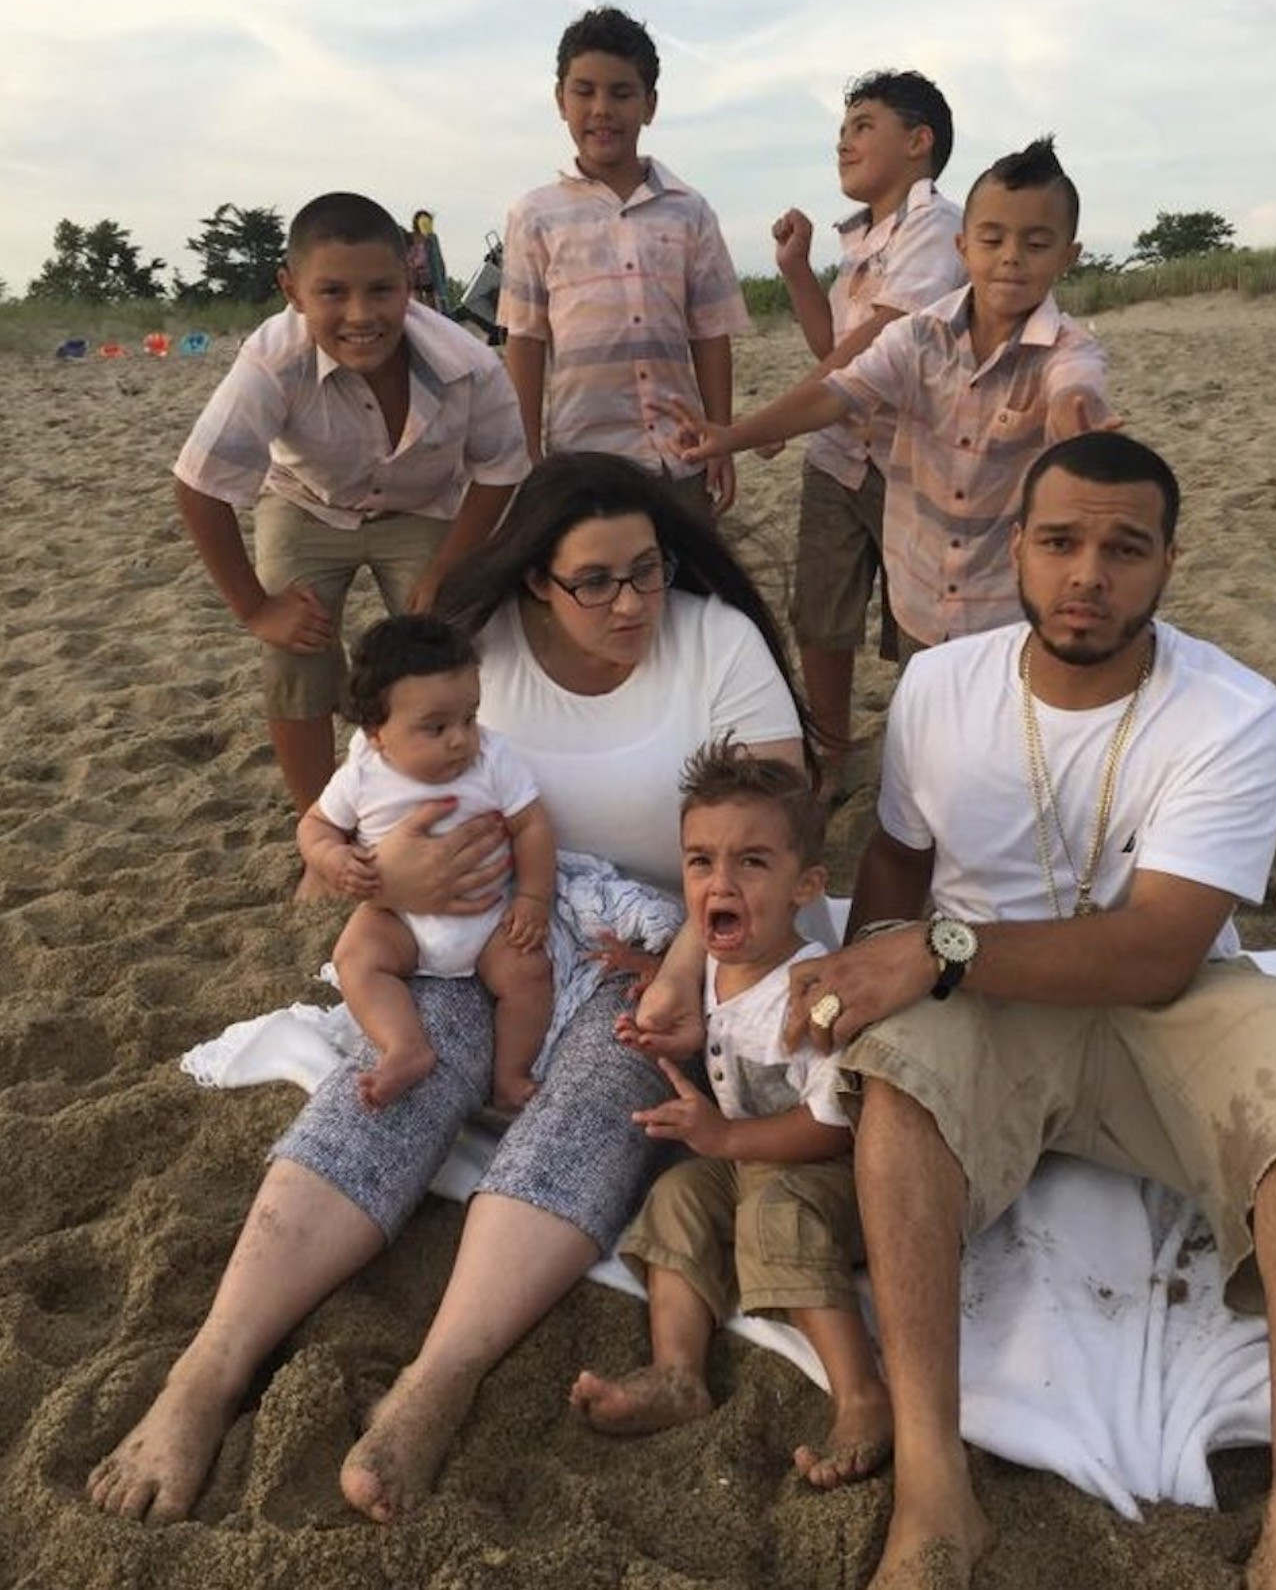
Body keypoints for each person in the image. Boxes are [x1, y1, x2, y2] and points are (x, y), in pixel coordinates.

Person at [86, 452, 815, 1528]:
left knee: (598, 1096)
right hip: (477, 927)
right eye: (596, 580)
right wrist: (388, 877)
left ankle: (439, 1376)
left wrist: (682, 970)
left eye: (648, 569)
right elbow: (354, 816)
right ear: (535, 581)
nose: (632, 602)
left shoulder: (715, 643)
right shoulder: (469, 659)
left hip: (655, 939)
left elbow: (780, 829)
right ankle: (209, 1367)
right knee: (394, 1077)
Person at [781, 431, 1276, 1590]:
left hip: (1162, 998)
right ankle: (934, 1485)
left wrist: (934, 948)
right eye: (1061, 541)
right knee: (895, 1078)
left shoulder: (1236, 710)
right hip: (982, 1006)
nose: (1087, 574)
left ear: (1168, 561)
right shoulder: (940, 683)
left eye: (1124, 548)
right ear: (1015, 546)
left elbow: (1160, 948)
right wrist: (862, 970)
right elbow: (897, 857)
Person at [571, 741, 889, 1487]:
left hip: (834, 1177)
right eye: (700, 861)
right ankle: (678, 1372)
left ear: (806, 885)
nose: (721, 882)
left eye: (752, 862)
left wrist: (723, 1135)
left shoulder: (811, 995)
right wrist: (660, 990)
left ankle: (861, 1394)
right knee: (677, 1196)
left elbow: (835, 1125)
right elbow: (725, 1022)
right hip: (750, 1159)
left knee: (774, 1214)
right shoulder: (721, 962)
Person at [671, 135, 1113, 654]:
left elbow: (1075, 385)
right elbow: (836, 393)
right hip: (919, 595)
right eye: (992, 240)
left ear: (1068, 256)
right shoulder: (919, 336)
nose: (1011, 258)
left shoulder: (1069, 349)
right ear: (963, 247)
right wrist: (734, 436)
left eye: (1036, 245)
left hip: (1006, 611)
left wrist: (1073, 413)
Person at [172, 190, 528, 817]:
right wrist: (256, 609)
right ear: (292, 289)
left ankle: (459, 798)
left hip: (422, 505)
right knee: (296, 646)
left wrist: (446, 565)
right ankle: (320, 823)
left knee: (449, 637)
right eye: (332, 292)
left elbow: (500, 471)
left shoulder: (469, 364)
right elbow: (199, 486)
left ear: (410, 282)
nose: (360, 315)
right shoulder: (272, 361)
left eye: (381, 290)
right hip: (306, 501)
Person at [772, 69, 964, 781]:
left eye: (862, 127)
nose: (844, 143)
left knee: (921, 618)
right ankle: (832, 751)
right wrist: (796, 268)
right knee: (821, 610)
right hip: (838, 454)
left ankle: (929, 763)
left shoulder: (935, 227)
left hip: (906, 458)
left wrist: (776, 418)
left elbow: (876, 342)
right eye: (842, 131)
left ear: (918, 142)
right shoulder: (862, 238)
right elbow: (832, 344)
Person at [499, 5, 751, 517]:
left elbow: (709, 334)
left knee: (687, 567)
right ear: (560, 99)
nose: (601, 109)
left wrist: (719, 436)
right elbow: (525, 341)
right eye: (584, 91)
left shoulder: (690, 211)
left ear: (649, 105)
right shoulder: (534, 215)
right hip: (582, 463)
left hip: (679, 458)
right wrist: (528, 455)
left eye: (621, 93)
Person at [299, 613, 556, 1111]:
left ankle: (510, 1073)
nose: (460, 739)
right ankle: (405, 1046)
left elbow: (533, 826)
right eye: (435, 727)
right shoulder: (362, 774)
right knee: (355, 959)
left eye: (469, 718)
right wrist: (333, 857)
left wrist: (532, 897)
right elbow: (315, 825)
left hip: (489, 917)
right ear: (377, 732)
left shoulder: (493, 759)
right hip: (397, 917)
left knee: (529, 974)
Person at [406, 209, 449, 311]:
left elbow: (438, 258)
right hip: (415, 275)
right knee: (418, 304)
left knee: (433, 304)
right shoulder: (410, 238)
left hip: (429, 275)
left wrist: (442, 275)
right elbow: (407, 256)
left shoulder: (432, 238)